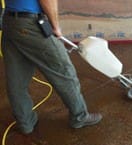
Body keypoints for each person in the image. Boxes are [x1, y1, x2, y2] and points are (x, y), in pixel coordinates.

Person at [1, 0, 102, 134]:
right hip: (30, 24)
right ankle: (80, 117)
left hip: (9, 22)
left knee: (17, 76)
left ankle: (25, 123)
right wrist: (55, 26)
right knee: (64, 71)